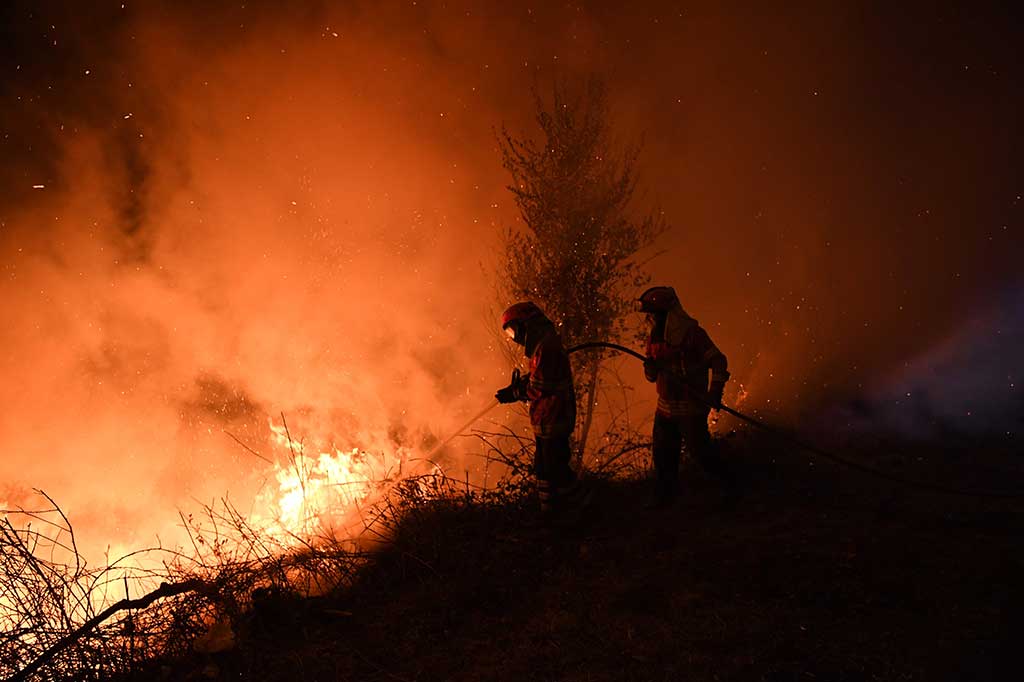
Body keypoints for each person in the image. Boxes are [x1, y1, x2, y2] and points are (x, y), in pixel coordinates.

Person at [637, 286, 733, 506]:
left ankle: (730, 486)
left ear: (666, 313)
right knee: (663, 458)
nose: (649, 319)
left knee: (702, 455)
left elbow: (718, 360)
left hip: (690, 408)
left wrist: (715, 392)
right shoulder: (654, 336)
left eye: (653, 314)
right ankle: (666, 500)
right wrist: (650, 369)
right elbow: (651, 376)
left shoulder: (693, 335)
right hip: (665, 409)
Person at [495, 302, 583, 519]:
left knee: (557, 470)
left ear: (528, 325)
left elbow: (539, 387)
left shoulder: (547, 348)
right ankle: (550, 514)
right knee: (543, 469)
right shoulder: (541, 347)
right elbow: (538, 379)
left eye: (514, 330)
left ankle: (580, 510)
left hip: (555, 418)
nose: (515, 338)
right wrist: (517, 387)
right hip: (546, 420)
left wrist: (515, 393)